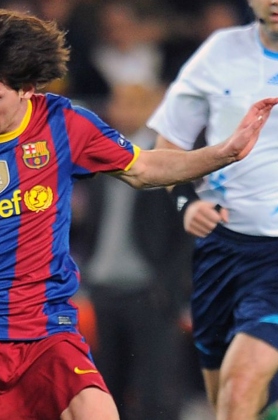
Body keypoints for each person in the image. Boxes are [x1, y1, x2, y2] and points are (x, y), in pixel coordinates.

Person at [0, 7, 278, 420]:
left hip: (44, 331)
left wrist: (224, 153)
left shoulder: (63, 123)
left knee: (99, 412)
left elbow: (144, 168)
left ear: (27, 88)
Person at [147, 0, 278, 418]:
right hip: (220, 250)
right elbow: (167, 149)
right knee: (226, 399)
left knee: (241, 386)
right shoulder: (220, 52)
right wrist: (186, 204)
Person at [76, 83, 191, 420]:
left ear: (153, 110)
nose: (122, 110)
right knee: (107, 389)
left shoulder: (167, 158)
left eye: (132, 103)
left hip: (149, 292)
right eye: (119, 102)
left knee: (156, 391)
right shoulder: (102, 157)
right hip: (105, 288)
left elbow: (185, 228)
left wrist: (169, 285)